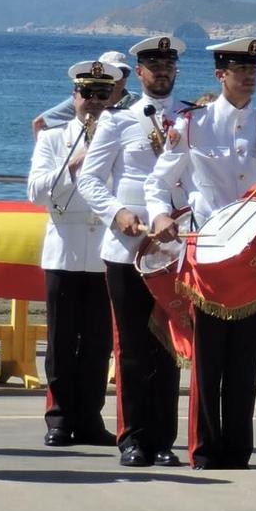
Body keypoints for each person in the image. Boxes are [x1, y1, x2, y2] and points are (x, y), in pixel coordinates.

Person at [147, 37, 256, 471]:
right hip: (207, 255)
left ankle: (238, 448)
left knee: (246, 360)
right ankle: (206, 448)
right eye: (238, 69)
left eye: (253, 69)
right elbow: (159, 183)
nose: (248, 76)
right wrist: (158, 217)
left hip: (251, 258)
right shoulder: (192, 125)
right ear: (220, 75)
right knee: (209, 362)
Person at [77, 33, 188, 468]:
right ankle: (133, 438)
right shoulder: (117, 121)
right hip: (127, 244)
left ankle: (163, 439)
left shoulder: (191, 118)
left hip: (174, 244)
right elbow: (90, 179)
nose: (162, 71)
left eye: (168, 65)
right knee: (133, 345)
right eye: (153, 65)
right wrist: (116, 212)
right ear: (137, 73)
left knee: (170, 342)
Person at [27, 59, 119, 447]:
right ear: (74, 96)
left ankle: (91, 417)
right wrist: (74, 166)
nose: (94, 102)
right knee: (62, 340)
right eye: (87, 94)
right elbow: (35, 193)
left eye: (102, 94)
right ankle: (60, 418)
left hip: (103, 249)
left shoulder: (120, 137)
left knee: (98, 341)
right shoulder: (53, 138)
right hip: (64, 246)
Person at [33, 51, 134, 135]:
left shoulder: (134, 101)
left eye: (124, 73)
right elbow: (39, 123)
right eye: (112, 73)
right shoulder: (82, 100)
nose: (119, 78)